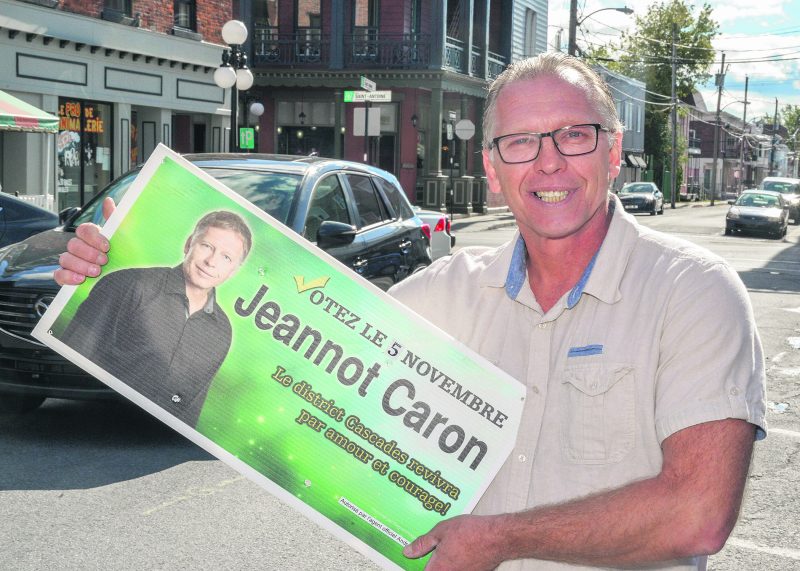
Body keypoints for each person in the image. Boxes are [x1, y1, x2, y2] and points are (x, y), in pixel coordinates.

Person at [57, 53, 766, 570]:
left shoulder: (694, 294)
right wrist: (111, 276)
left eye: (574, 135)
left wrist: (502, 537)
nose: (548, 162)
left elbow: (697, 514)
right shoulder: (446, 294)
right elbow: (281, 355)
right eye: (520, 142)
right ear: (492, 168)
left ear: (614, 153)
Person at [58, 210, 252, 428]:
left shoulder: (222, 330)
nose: (211, 262)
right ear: (189, 244)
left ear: (233, 270)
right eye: (207, 246)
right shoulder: (128, 285)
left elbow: (190, 409)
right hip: (92, 431)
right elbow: (70, 361)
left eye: (226, 257)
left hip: (156, 451)